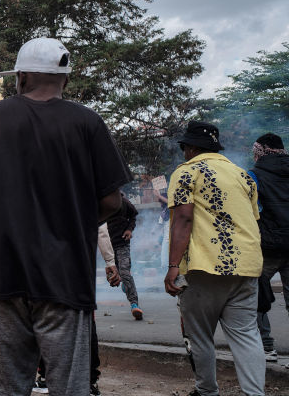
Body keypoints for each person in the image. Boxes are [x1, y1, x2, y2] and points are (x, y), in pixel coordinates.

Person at [0, 37, 131, 396]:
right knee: (69, 387)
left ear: (21, 77)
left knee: (7, 387)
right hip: (66, 276)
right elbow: (113, 201)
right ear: (65, 78)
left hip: (7, 275)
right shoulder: (88, 122)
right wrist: (74, 224)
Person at [164, 121, 264, 396]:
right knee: (246, 335)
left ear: (192, 148)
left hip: (204, 266)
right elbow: (254, 219)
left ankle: (207, 391)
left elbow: (183, 218)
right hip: (246, 265)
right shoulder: (243, 175)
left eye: (185, 148)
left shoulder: (186, 172)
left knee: (199, 335)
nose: (184, 153)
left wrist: (173, 266)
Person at [34, 223, 122, 395]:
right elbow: (101, 227)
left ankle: (45, 376)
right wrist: (110, 261)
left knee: (48, 319)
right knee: (85, 321)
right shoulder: (85, 203)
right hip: (80, 267)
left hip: (48, 265)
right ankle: (89, 382)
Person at [248, 132, 289, 364]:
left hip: (268, 247)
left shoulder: (253, 175)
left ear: (260, 151)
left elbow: (250, 210)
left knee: (256, 295)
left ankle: (266, 347)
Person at [104, 192, 142, 320]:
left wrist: (129, 229)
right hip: (108, 247)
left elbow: (134, 215)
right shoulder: (100, 204)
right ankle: (126, 285)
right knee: (116, 276)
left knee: (125, 272)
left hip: (122, 243)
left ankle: (134, 304)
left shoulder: (124, 202)